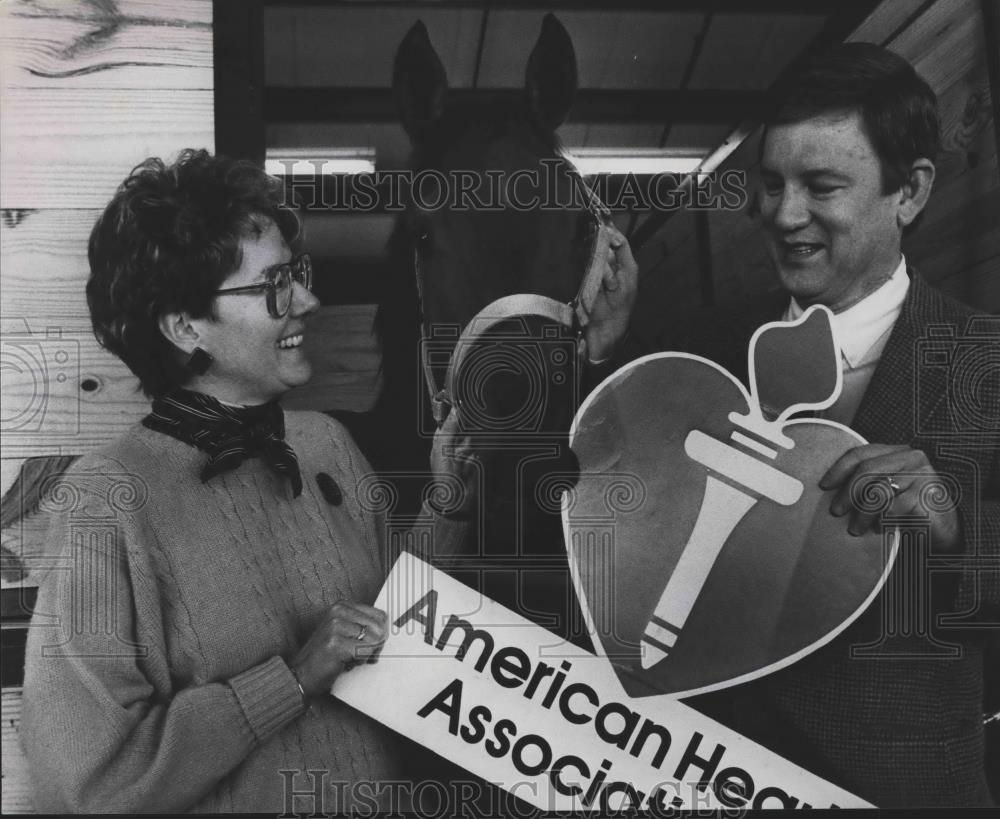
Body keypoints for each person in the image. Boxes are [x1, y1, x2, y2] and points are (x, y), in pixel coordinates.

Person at [587, 43, 998, 807]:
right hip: (694, 781)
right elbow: (609, 516)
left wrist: (955, 523)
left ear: (908, 192)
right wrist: (603, 368)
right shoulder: (690, 348)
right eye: (771, 183)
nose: (782, 213)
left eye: (822, 185)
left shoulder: (988, 359)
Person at [19, 149, 476, 813]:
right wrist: (292, 678)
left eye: (298, 273)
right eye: (273, 286)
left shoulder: (326, 443)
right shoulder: (105, 497)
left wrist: (450, 502)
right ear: (184, 326)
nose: (309, 301)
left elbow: (389, 632)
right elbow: (93, 779)